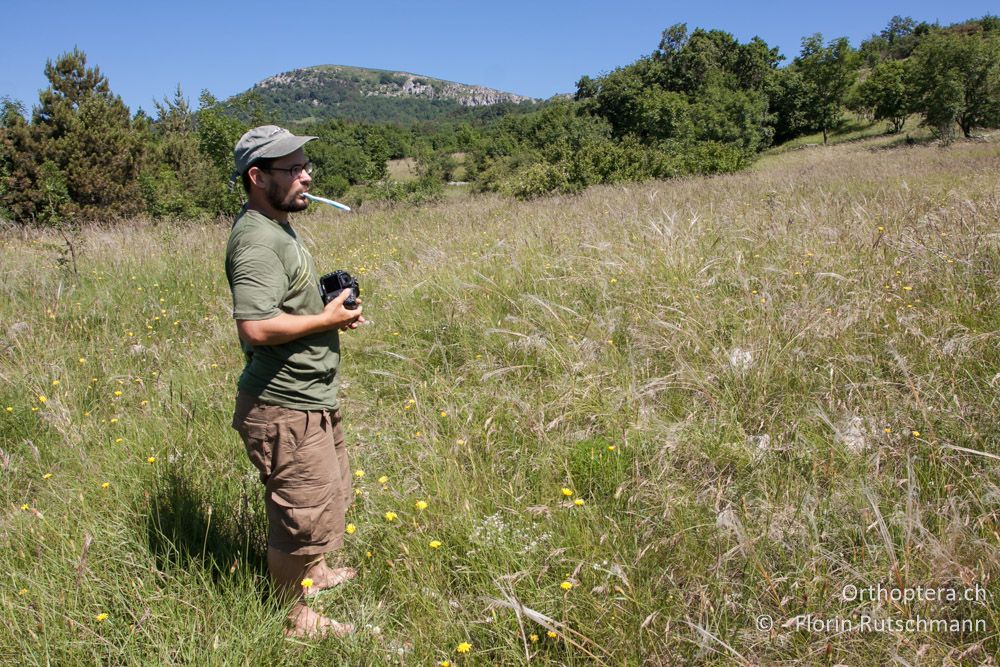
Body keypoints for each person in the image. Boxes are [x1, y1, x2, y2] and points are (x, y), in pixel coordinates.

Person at [225, 125, 364, 638]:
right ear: (258, 177)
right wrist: (326, 322)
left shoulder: (278, 224)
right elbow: (256, 326)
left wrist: (332, 311)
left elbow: (285, 307)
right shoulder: (257, 240)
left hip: (310, 395)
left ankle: (317, 573)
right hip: (283, 403)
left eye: (307, 167)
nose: (307, 176)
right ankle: (296, 620)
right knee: (299, 517)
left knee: (326, 496)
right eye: (294, 169)